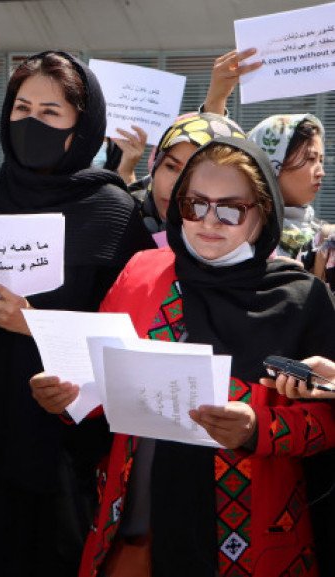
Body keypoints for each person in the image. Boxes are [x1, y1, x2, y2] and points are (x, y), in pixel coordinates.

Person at [31, 137, 335, 577]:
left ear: (261, 213)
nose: (209, 221)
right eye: (195, 205)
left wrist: (257, 430)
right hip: (136, 530)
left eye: (230, 209)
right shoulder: (143, 271)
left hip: (250, 542)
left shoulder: (300, 297)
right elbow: (103, 386)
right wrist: (68, 397)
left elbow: (328, 421)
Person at [0, 51, 153, 576]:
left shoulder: (113, 214)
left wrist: (34, 323)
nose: (32, 122)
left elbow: (132, 336)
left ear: (84, 127)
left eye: (51, 113)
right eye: (22, 108)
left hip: (64, 449)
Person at [129, 113, 246, 233]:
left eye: (197, 174)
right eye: (171, 167)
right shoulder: (119, 216)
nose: (177, 186)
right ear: (156, 165)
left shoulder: (246, 240)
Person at [248, 114, 326, 263]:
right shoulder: (241, 240)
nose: (321, 172)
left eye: (321, 160)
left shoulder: (323, 234)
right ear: (272, 163)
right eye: (310, 159)